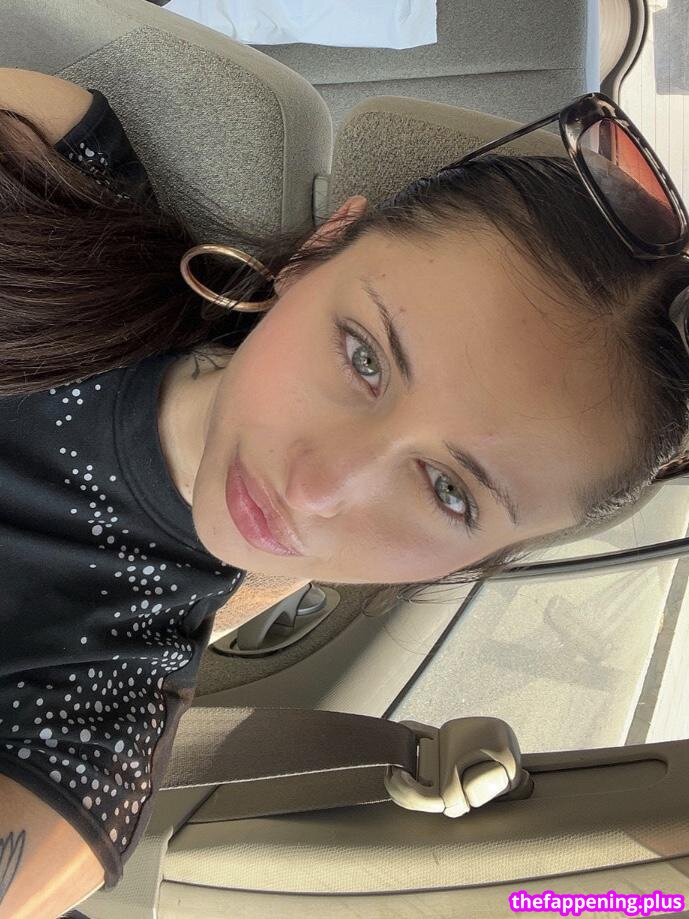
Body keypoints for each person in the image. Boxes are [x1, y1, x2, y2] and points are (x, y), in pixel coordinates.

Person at [1, 81, 689, 901]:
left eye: (449, 491)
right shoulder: (57, 172)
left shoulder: (85, 727)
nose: (316, 487)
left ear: (477, 559)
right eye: (365, 358)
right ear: (318, 250)